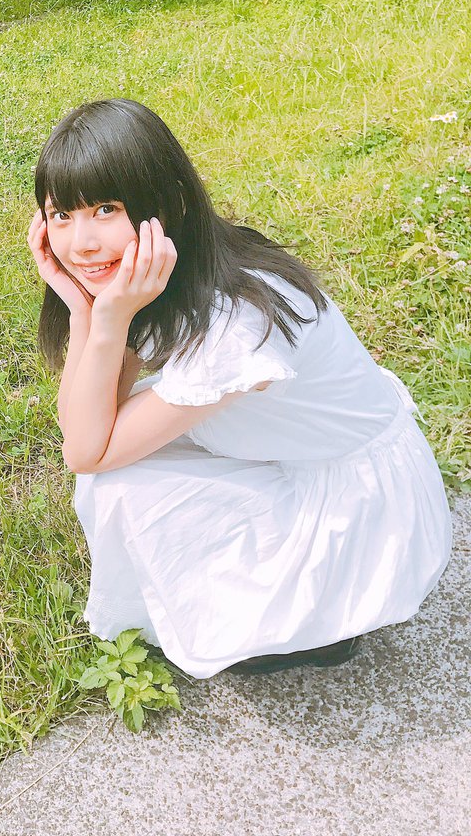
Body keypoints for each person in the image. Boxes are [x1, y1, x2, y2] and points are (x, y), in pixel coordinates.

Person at [27, 99, 453, 678]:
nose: (81, 242)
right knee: (119, 470)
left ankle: (321, 618)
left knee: (121, 482)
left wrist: (107, 321)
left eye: (107, 209)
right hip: (293, 455)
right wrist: (85, 311)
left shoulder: (233, 324)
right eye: (61, 215)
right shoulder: (163, 276)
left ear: (168, 203)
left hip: (362, 513)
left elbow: (84, 451)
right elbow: (82, 426)